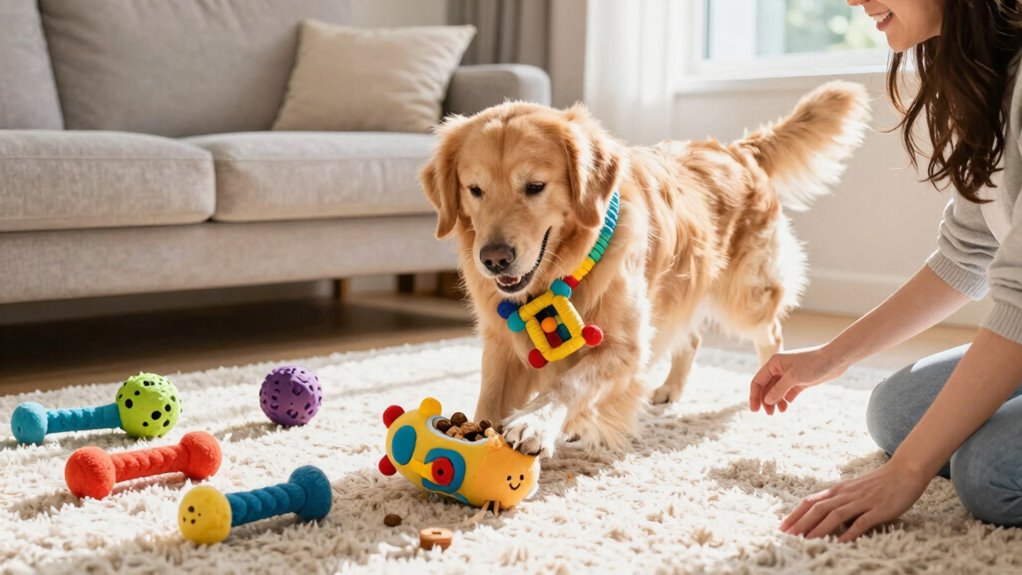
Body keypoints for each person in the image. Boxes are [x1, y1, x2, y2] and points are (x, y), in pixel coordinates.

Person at [748, 0, 1022, 542]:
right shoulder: (990, 70)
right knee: (896, 412)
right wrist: (829, 358)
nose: (853, 1)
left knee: (988, 475)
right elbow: (965, 253)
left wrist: (907, 473)